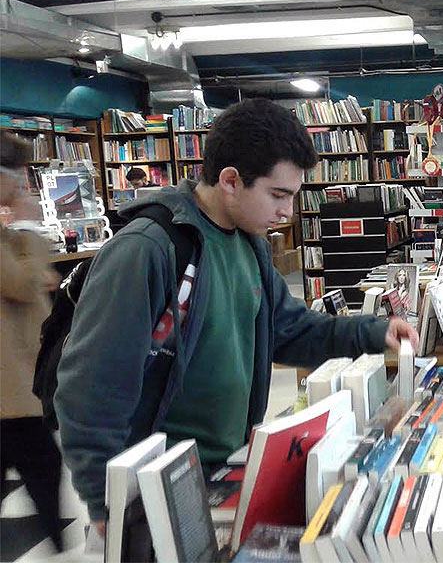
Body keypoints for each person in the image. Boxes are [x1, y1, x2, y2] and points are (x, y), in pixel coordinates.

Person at [54, 99, 420, 533]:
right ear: (230, 180)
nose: (287, 212)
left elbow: (289, 331)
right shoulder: (149, 250)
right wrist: (103, 499)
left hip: (223, 469)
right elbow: (92, 384)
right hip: (156, 485)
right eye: (277, 195)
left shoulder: (251, 245)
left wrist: (372, 332)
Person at [1, 132, 64, 552]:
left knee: (40, 462)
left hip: (16, 379)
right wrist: (26, 224)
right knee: (41, 461)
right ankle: (60, 547)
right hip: (9, 386)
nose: (23, 183)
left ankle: (60, 545)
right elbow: (23, 284)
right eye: (15, 173)